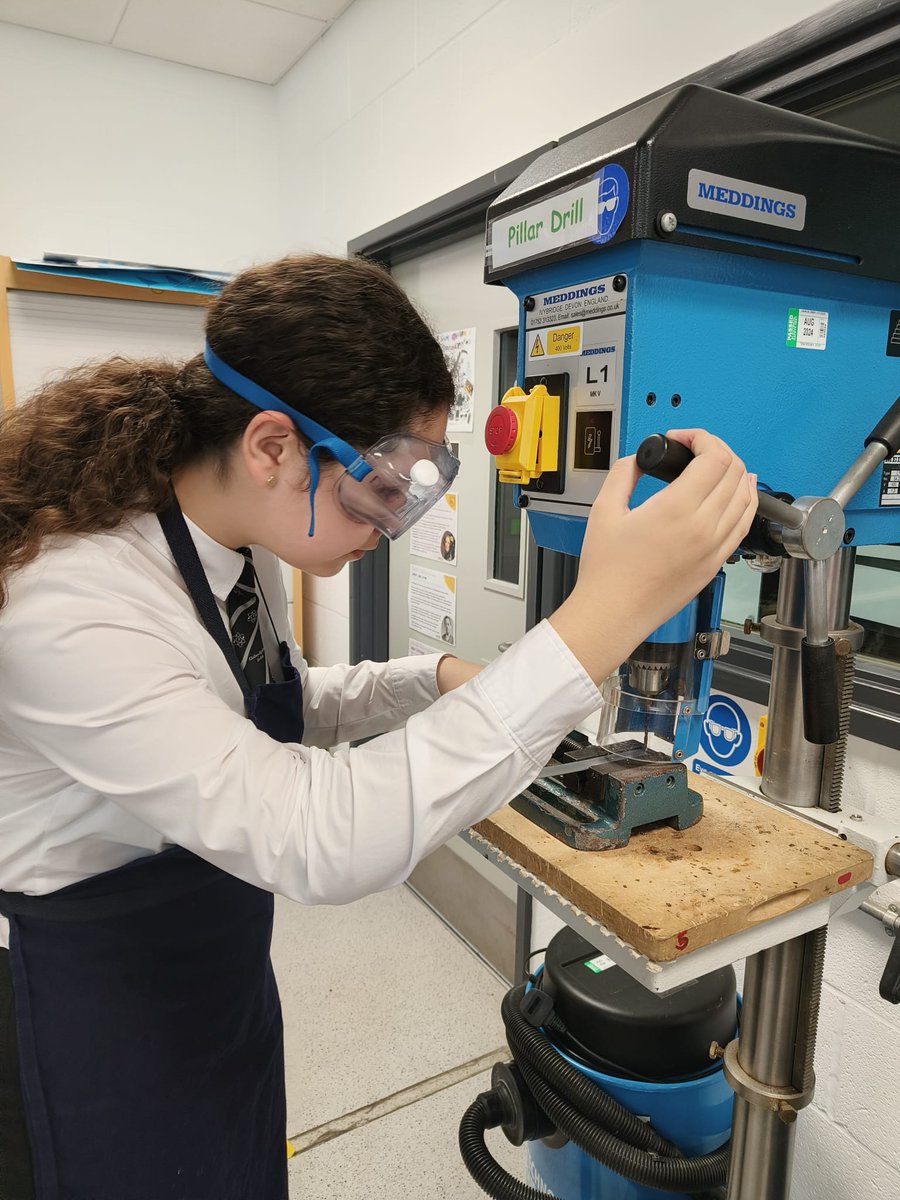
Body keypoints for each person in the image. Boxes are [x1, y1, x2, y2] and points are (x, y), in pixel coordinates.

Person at [0, 253, 757, 1200]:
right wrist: (603, 617)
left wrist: (426, 677)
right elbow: (317, 834)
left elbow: (264, 704)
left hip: (207, 971)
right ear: (272, 444)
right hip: (83, 1003)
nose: (390, 519)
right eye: (381, 487)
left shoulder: (226, 536)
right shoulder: (72, 604)